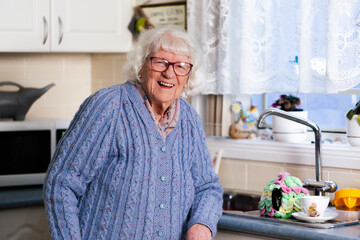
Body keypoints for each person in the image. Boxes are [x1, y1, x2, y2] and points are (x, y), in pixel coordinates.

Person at [43, 27, 223, 240]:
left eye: (180, 66)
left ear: (188, 76)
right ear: (141, 66)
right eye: (160, 62)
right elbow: (62, 183)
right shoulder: (108, 106)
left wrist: (201, 225)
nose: (169, 73)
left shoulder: (189, 119)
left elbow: (207, 187)